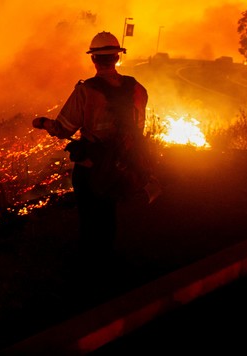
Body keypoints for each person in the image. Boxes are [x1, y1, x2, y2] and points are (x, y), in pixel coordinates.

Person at [32, 31, 155, 263]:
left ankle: (90, 264)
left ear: (94, 59)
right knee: (108, 212)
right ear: (117, 58)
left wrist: (42, 123)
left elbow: (63, 129)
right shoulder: (138, 89)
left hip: (91, 166)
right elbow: (138, 128)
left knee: (89, 216)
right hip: (123, 162)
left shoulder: (86, 90)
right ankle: (107, 258)